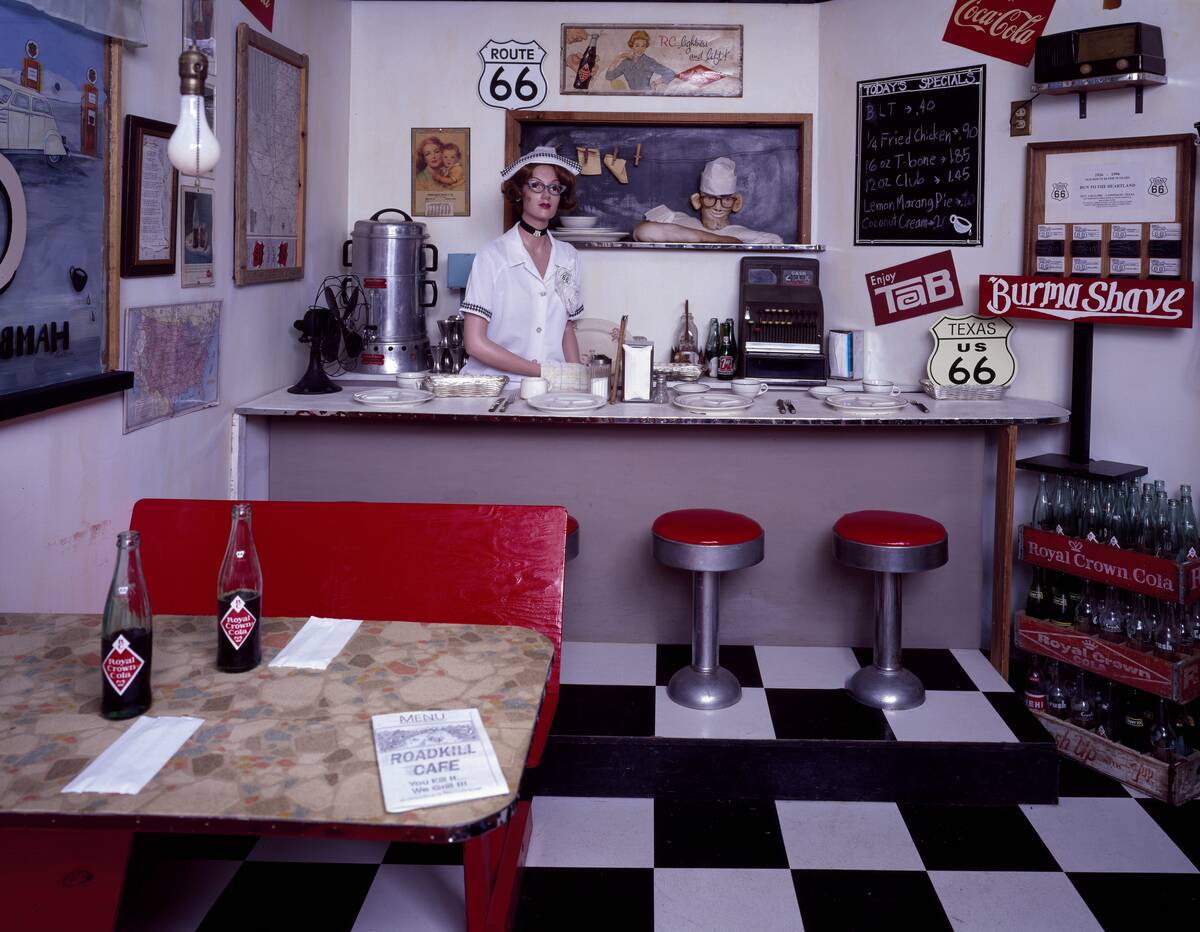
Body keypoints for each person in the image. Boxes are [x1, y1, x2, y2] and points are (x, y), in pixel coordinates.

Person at [461, 147, 584, 379]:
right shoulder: (492, 256)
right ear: (519, 192)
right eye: (536, 185)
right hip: (496, 387)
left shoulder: (569, 257)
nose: (546, 195)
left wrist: (575, 378)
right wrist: (542, 372)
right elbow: (474, 343)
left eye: (555, 188)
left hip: (549, 389)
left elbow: (566, 328)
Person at [633, 157, 783, 244]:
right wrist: (718, 240)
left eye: (725, 199)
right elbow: (643, 231)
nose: (718, 206)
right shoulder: (677, 219)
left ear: (736, 202)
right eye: (710, 198)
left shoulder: (749, 236)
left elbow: (776, 244)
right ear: (698, 200)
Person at [605, 30, 675, 92]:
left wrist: (655, 83)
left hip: (647, 96)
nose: (640, 49)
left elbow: (671, 74)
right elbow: (609, 76)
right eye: (637, 45)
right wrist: (618, 57)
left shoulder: (649, 62)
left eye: (643, 46)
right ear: (632, 45)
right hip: (632, 98)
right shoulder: (626, 63)